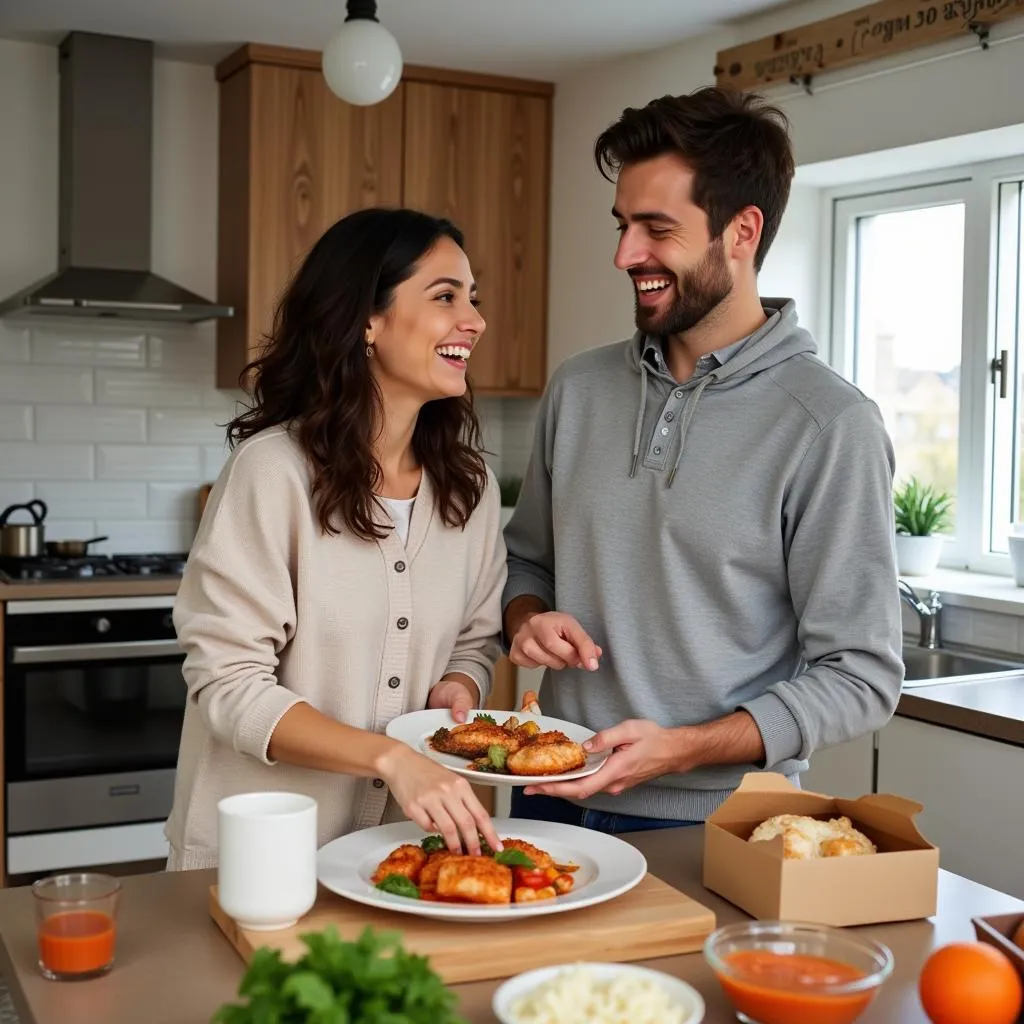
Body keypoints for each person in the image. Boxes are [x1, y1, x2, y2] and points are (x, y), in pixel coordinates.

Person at [502, 87, 904, 833]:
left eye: (656, 229)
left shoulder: (829, 425)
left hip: (718, 826)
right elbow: (525, 563)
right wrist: (525, 618)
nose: (626, 255)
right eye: (623, 226)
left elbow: (862, 676)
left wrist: (683, 749)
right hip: (548, 795)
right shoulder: (579, 389)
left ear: (742, 231)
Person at [165, 207, 507, 870]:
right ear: (366, 321)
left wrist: (461, 685)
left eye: (473, 298)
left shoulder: (473, 491)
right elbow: (228, 681)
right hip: (258, 860)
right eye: (445, 297)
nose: (475, 319)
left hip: (396, 859)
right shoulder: (274, 473)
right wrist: (391, 757)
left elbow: (474, 640)